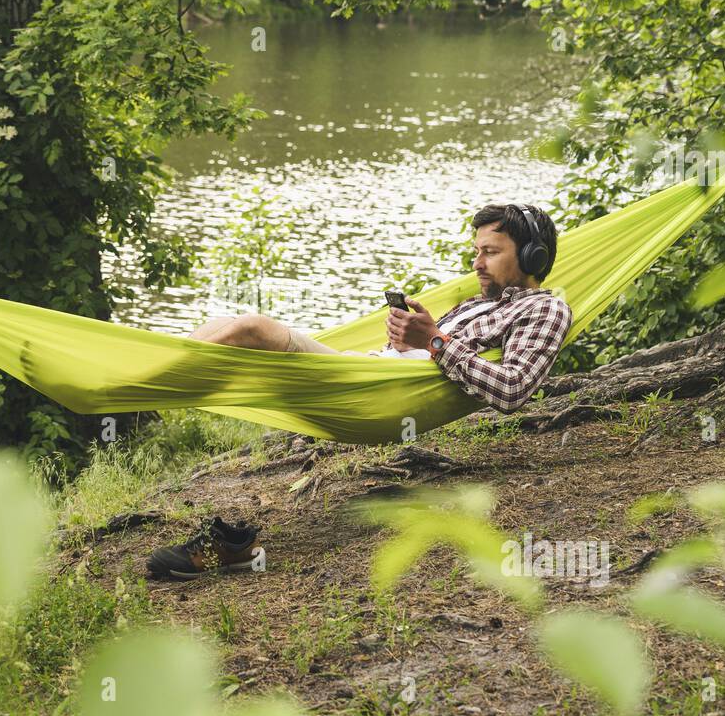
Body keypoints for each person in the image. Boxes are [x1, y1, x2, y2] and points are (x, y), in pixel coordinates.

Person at [147, 203, 573, 580]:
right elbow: (423, 356)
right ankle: (140, 372)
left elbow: (515, 389)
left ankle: (143, 386)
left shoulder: (545, 307)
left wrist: (435, 341)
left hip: (380, 399)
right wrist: (407, 341)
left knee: (252, 329)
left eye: (491, 252)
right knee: (224, 322)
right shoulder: (474, 304)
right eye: (477, 251)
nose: (477, 263)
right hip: (371, 376)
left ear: (532, 256)